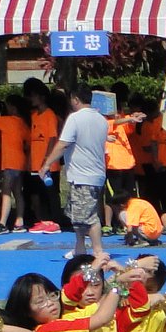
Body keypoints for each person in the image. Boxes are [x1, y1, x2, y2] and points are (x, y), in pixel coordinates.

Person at [38, 82, 108, 257]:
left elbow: (63, 144)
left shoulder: (75, 119)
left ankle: (97, 250)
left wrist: (46, 164)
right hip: (94, 173)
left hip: (83, 175)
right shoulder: (101, 119)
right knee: (78, 215)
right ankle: (80, 247)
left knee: (88, 217)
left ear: (75, 99)